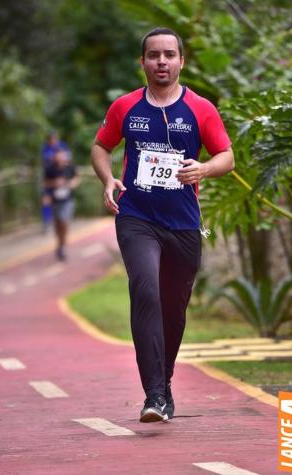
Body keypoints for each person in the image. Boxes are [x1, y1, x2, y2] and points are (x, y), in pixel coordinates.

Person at [91, 27, 234, 423]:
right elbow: (101, 146)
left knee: (173, 308)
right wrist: (107, 179)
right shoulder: (126, 107)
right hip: (137, 217)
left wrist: (203, 167)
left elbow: (227, 156)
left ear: (181, 61)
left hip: (184, 224)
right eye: (153, 55)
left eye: (169, 55)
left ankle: (165, 382)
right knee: (146, 290)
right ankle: (153, 395)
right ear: (143, 62)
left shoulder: (200, 108)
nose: (161, 62)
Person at [44, 149, 79, 261]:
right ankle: (59, 244)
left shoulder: (69, 168)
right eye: (58, 156)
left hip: (67, 200)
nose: (60, 158)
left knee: (64, 222)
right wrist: (54, 183)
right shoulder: (50, 169)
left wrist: (71, 183)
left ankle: (63, 247)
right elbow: (45, 183)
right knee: (57, 224)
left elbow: (77, 177)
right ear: (55, 157)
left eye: (62, 155)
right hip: (55, 200)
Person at [41, 132, 71, 232]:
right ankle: (47, 222)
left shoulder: (63, 146)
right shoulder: (45, 148)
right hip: (50, 177)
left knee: (62, 201)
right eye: (51, 140)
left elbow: (68, 160)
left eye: (54, 139)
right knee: (46, 201)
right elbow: (44, 162)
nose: (53, 142)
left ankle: (63, 219)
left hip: (61, 179)